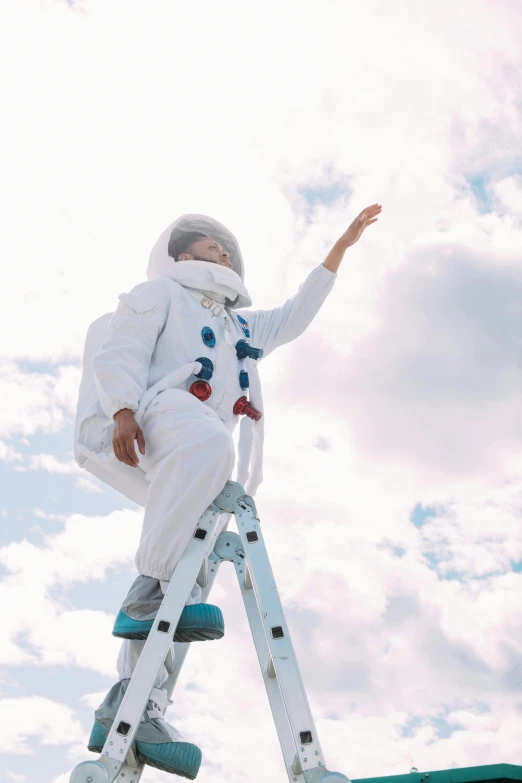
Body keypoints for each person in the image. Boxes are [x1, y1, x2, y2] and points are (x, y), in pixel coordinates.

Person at [75, 206, 381, 778]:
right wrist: (121, 410)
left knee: (188, 575)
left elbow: (294, 316)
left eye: (226, 248)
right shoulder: (161, 294)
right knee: (208, 452)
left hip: (203, 446)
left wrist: (339, 249)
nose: (223, 253)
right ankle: (145, 598)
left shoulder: (241, 326)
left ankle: (135, 704)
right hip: (162, 413)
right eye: (210, 247)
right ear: (183, 255)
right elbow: (123, 350)